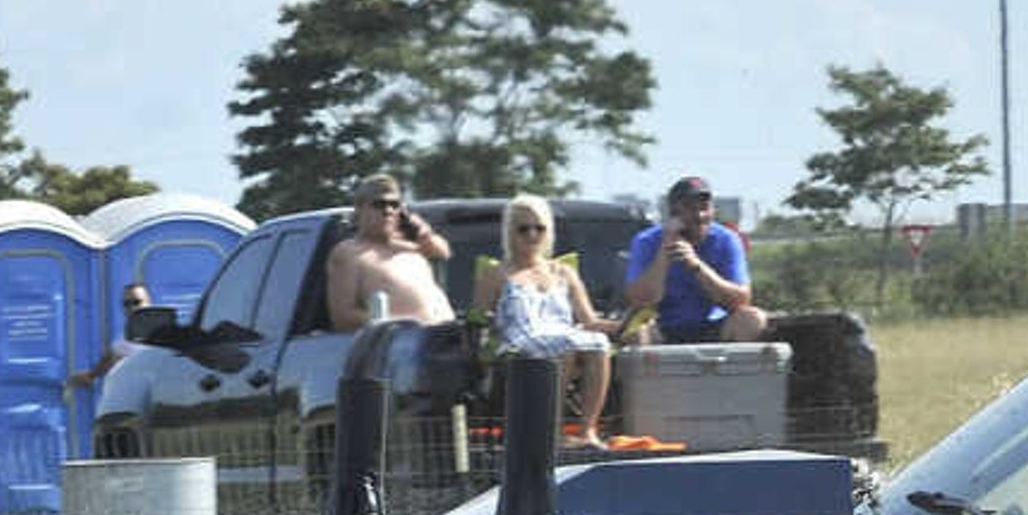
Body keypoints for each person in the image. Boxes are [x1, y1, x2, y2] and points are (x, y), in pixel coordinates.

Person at [491, 195, 668, 450]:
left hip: (564, 335)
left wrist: (625, 325)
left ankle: (587, 431)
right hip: (520, 340)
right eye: (523, 228)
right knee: (566, 346)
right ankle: (550, 431)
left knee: (596, 342)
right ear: (510, 232)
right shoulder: (497, 273)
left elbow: (589, 321)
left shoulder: (563, 272)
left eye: (538, 228)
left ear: (548, 231)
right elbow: (481, 318)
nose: (532, 235)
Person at [620, 175, 769, 346]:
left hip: (713, 325)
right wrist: (665, 251)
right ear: (674, 213)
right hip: (663, 326)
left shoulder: (727, 239)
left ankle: (737, 372)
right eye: (690, 209)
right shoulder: (646, 241)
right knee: (636, 333)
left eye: (705, 208)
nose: (699, 215)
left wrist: (696, 265)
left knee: (752, 319)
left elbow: (741, 300)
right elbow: (641, 300)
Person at [326, 175, 455, 329]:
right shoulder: (350, 253)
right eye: (379, 204)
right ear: (360, 209)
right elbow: (343, 316)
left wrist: (419, 229)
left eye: (394, 205)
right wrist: (397, 325)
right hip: (398, 345)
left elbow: (443, 252)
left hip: (446, 339)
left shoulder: (411, 248)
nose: (388, 211)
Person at [70, 283, 155, 393]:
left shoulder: (162, 334)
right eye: (126, 304)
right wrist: (91, 375)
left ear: (149, 303)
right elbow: (112, 355)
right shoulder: (127, 334)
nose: (132, 308)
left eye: (136, 302)